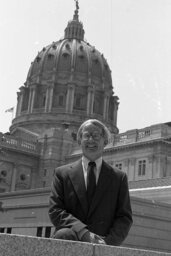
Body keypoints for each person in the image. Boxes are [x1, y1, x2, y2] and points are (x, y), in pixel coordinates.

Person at [49, 119, 133, 245]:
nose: (91, 140)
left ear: (105, 141)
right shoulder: (62, 173)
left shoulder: (118, 177)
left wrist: (108, 243)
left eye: (96, 135)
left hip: (103, 243)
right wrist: (84, 233)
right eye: (86, 135)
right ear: (79, 141)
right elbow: (55, 210)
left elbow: (124, 217)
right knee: (63, 234)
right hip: (71, 241)